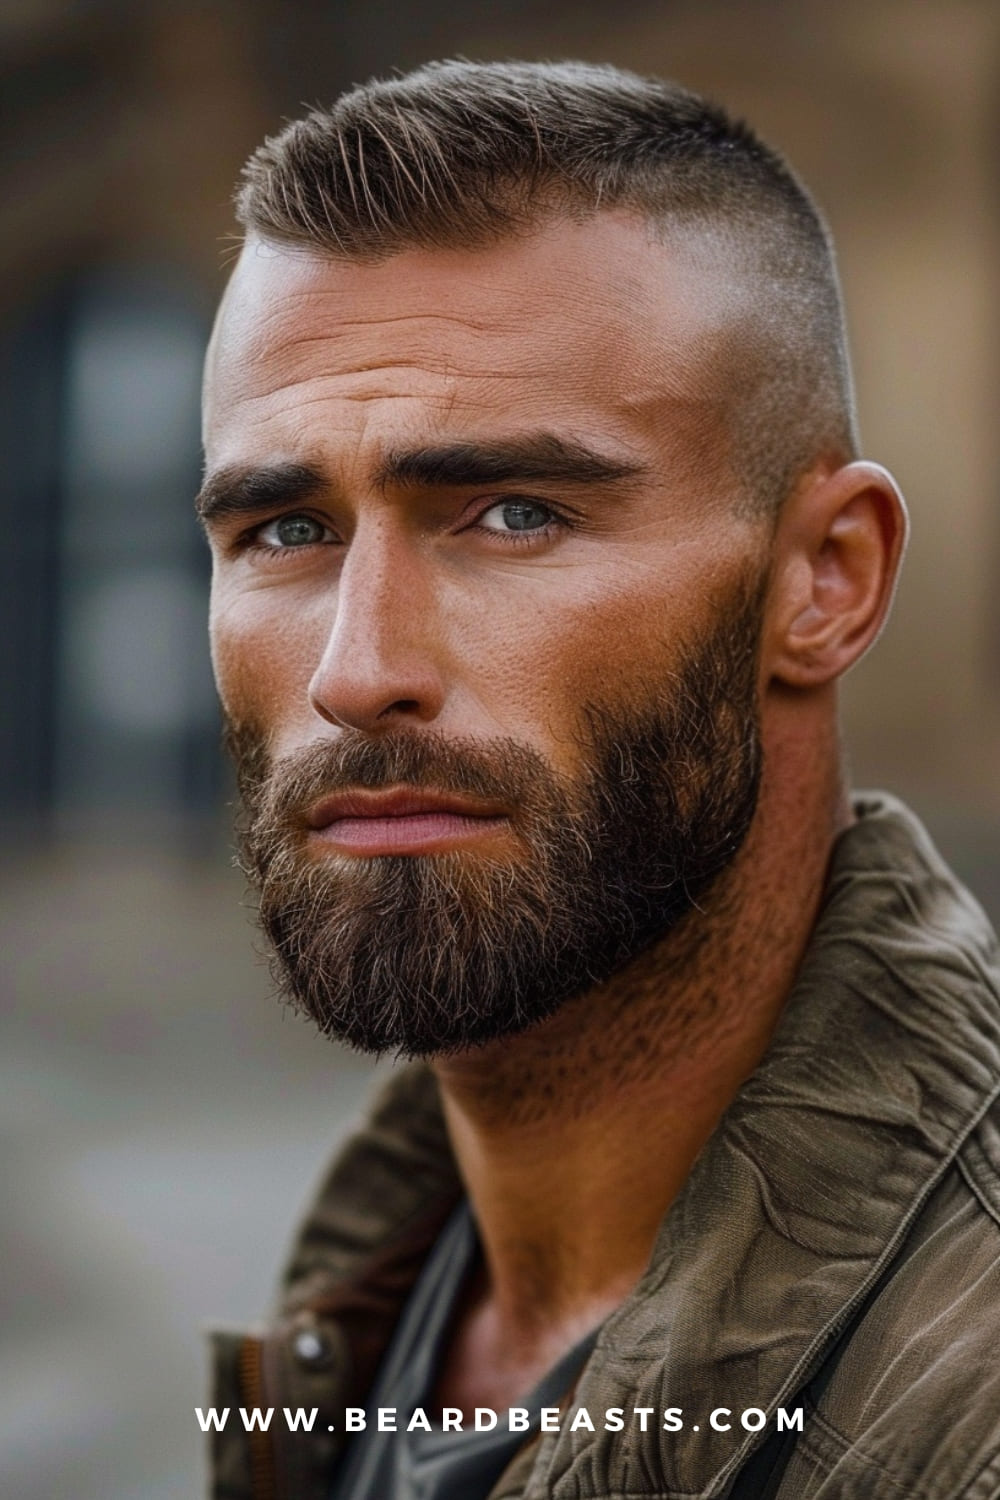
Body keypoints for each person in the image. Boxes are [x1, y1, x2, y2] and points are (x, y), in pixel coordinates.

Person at [199, 60, 1000, 1500]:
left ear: (824, 580)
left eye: (514, 513)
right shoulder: (382, 1283)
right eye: (283, 530)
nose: (356, 670)